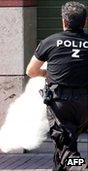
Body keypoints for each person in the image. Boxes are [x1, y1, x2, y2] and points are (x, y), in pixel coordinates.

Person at [26, 1, 88, 170]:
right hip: (84, 105)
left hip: (61, 104)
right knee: (64, 145)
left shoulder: (50, 41)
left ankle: (82, 166)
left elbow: (31, 71)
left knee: (68, 153)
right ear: (85, 21)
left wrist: (46, 73)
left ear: (64, 22)